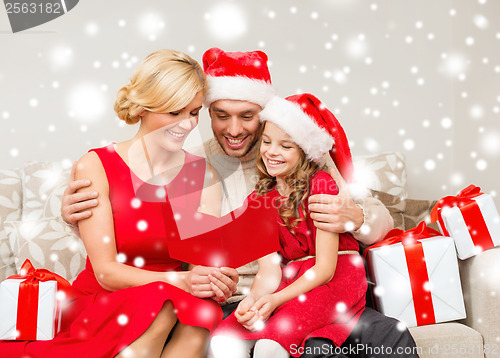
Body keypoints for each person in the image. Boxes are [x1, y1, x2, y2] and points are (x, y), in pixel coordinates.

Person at [61, 48, 418, 358]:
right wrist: (82, 222)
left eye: (247, 116)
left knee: (390, 338)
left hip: (323, 290)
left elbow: (381, 224)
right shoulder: (196, 167)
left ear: (266, 115)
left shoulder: (306, 155)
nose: (234, 129)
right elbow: (172, 248)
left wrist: (355, 217)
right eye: (220, 115)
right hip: (250, 299)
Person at [1, 49, 239, 358]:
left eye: (193, 113)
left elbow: (199, 266)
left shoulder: (202, 175)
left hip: (173, 292)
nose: (186, 124)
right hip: (109, 297)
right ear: (144, 107)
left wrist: (215, 279)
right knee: (164, 301)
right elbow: (107, 273)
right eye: (174, 112)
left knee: (202, 313)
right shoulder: (97, 165)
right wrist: (181, 280)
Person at [211, 93, 368, 358]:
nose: (272, 152)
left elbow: (325, 270)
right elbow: (269, 271)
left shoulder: (321, 186)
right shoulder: (259, 199)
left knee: (270, 344)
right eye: (268, 142)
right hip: (291, 281)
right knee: (223, 340)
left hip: (335, 279)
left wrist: (274, 301)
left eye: (286, 147)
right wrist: (253, 301)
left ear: (304, 152)